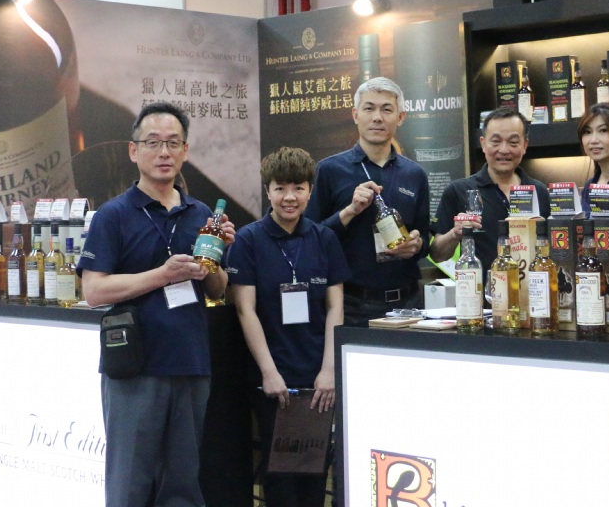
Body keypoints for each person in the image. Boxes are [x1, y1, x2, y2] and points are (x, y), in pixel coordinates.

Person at [79, 101, 234, 507]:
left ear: (185, 151)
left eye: (173, 143)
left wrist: (214, 260)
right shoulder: (113, 215)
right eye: (153, 143)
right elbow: (94, 291)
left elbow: (217, 289)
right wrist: (163, 275)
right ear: (134, 151)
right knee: (129, 484)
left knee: (182, 486)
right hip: (134, 368)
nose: (164, 152)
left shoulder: (201, 214)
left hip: (190, 363)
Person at [227, 147, 347, 507]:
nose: (289, 197)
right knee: (278, 476)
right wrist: (269, 372)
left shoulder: (324, 239)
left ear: (310, 190)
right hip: (271, 378)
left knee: (314, 472)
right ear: (268, 192)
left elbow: (335, 306)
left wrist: (329, 371)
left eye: (298, 188)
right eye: (280, 188)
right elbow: (245, 309)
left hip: (317, 378)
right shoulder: (249, 240)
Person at [304, 77, 430, 327]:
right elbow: (310, 239)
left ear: (400, 117)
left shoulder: (415, 174)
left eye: (386, 110)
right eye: (369, 108)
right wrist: (349, 212)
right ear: (355, 115)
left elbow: (425, 239)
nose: (377, 118)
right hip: (352, 305)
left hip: (409, 303)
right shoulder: (329, 170)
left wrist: (417, 245)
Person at [430, 106, 551, 270]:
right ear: (483, 144)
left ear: (524, 145)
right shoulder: (458, 190)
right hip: (480, 286)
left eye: (513, 142)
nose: (504, 150)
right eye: (496, 141)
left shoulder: (539, 192)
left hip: (533, 285)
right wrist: (455, 234)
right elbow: (437, 254)